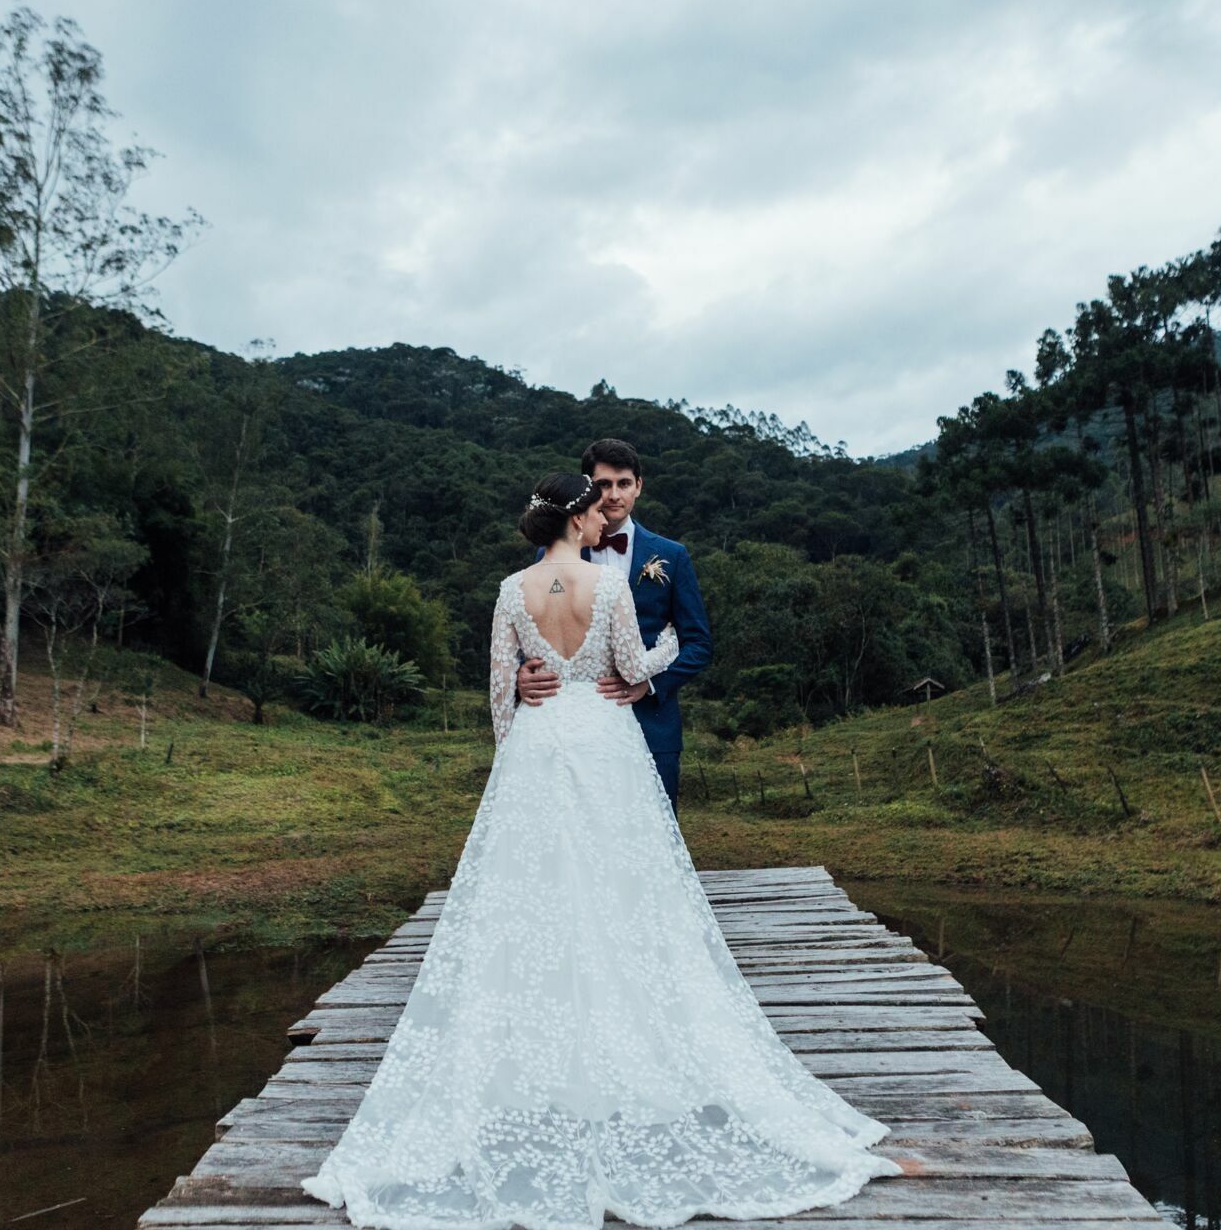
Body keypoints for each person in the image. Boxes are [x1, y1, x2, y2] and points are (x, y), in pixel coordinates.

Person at [301, 471, 900, 1230]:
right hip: (607, 744)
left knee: (533, 903)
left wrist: (511, 754)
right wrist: (671, 644)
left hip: (540, 747)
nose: (600, 517)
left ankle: (545, 1068)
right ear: (580, 516)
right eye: (594, 508)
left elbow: (496, 693)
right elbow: (631, 669)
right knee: (628, 895)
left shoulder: (511, 589)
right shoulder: (610, 588)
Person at [519, 439, 711, 811]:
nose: (613, 494)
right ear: (588, 487)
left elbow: (698, 643)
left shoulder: (672, 555)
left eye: (623, 483)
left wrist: (649, 684)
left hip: (652, 725)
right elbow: (530, 629)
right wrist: (520, 675)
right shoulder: (548, 554)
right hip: (573, 727)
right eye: (603, 485)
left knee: (654, 839)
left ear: (639, 485)